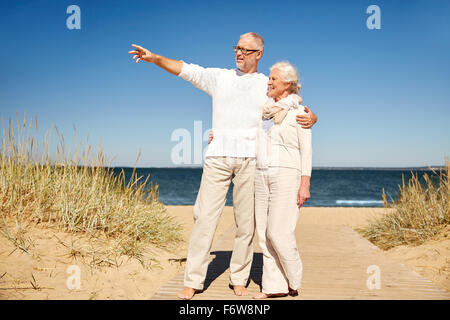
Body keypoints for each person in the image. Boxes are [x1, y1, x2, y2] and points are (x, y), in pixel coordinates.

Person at [128, 33, 317, 300]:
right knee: (204, 218)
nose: (239, 53)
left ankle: (239, 278)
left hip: (251, 161)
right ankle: (192, 281)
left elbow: (293, 101)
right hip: (218, 158)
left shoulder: (266, 84)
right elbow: (186, 69)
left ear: (258, 54)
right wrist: (155, 58)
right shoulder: (220, 77)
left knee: (246, 226)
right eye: (236, 48)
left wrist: (313, 117)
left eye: (245, 49)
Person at [253, 61, 312, 299]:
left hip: (287, 175)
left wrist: (304, 184)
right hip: (261, 174)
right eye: (269, 78)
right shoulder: (265, 112)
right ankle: (273, 288)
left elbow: (306, 151)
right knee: (263, 234)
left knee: (279, 232)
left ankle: (293, 280)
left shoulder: (300, 113)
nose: (269, 82)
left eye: (273, 79)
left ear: (287, 84)